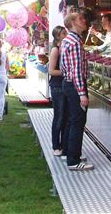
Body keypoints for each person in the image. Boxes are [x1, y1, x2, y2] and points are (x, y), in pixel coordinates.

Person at [60, 12, 94, 171]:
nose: (84, 20)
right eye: (81, 18)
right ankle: (74, 160)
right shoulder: (75, 43)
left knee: (71, 120)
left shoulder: (68, 41)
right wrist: (82, 93)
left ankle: (68, 152)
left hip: (67, 84)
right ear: (73, 22)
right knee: (77, 122)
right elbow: (77, 71)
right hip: (75, 86)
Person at [49, 26, 68, 156]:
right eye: (63, 33)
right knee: (59, 116)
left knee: (65, 116)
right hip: (57, 86)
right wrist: (66, 73)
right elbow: (51, 70)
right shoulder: (55, 50)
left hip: (64, 85)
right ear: (57, 36)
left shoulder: (64, 49)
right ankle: (56, 145)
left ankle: (64, 144)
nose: (66, 34)